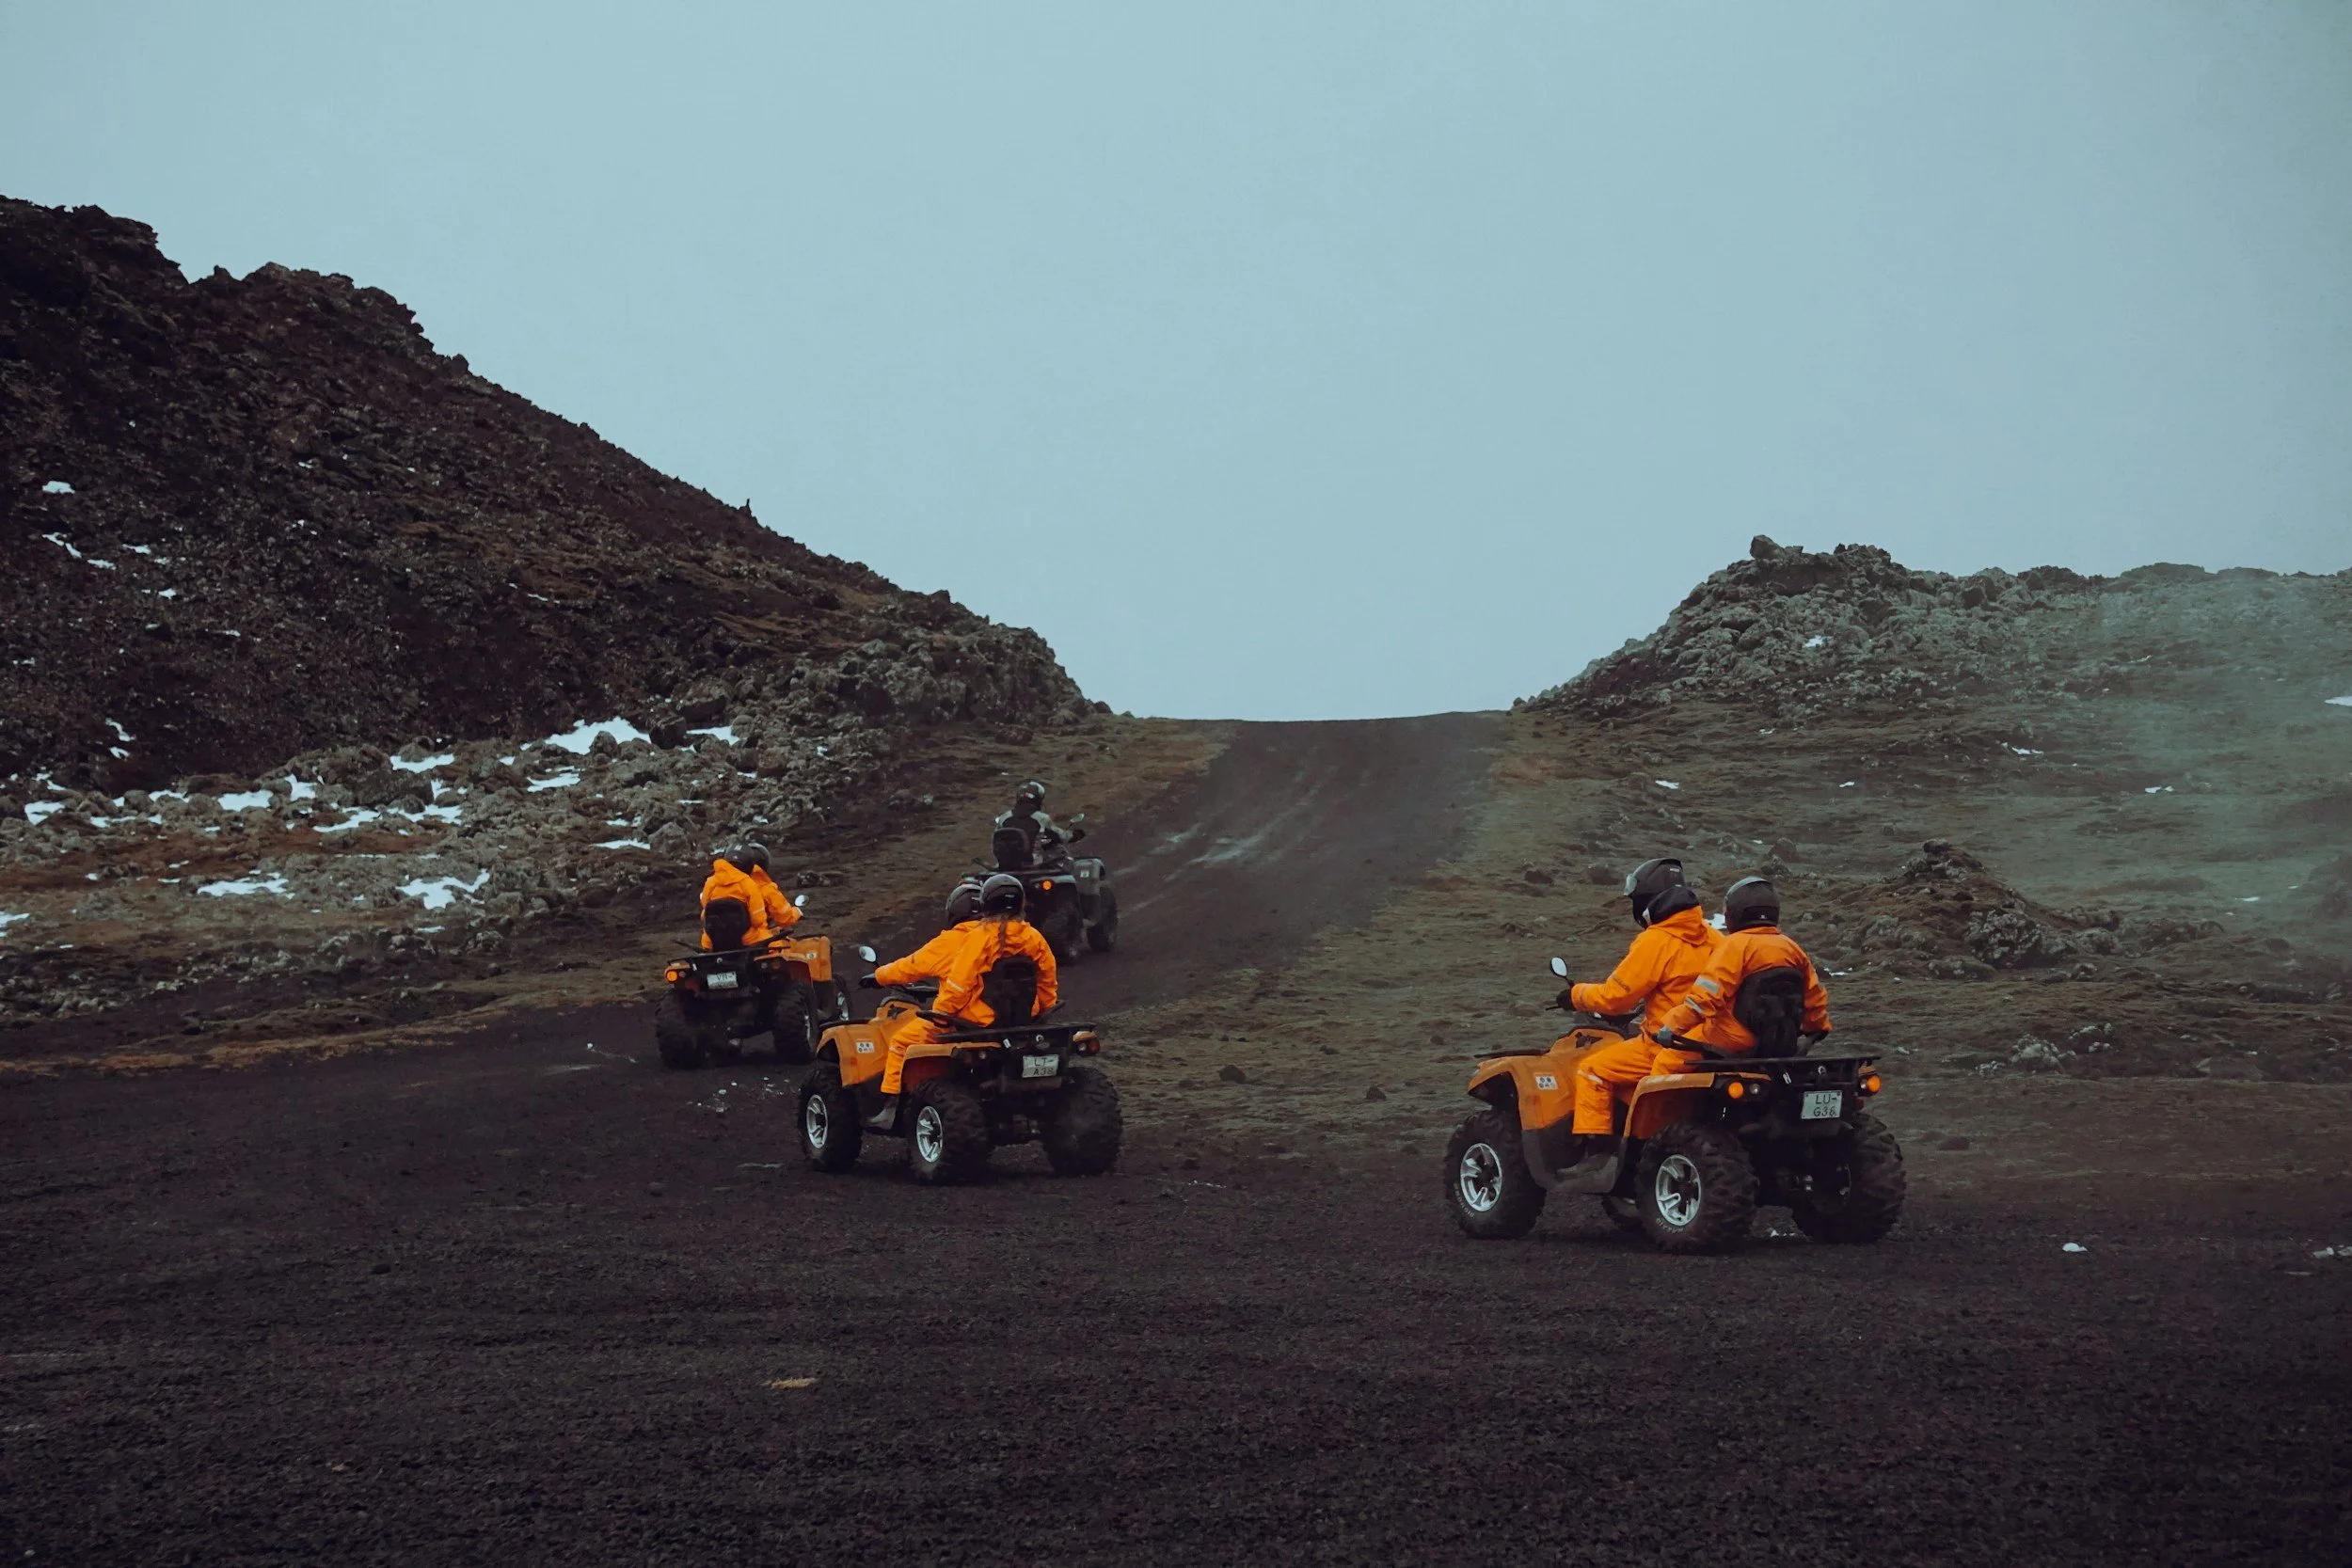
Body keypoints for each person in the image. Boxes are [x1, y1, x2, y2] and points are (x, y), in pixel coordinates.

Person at [1558, 858, 1724, 1173]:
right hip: (1714, 1044)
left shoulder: (1656, 940)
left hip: (1666, 1045)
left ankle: (1597, 1156)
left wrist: (1575, 995)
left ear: (1649, 902)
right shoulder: (1714, 937)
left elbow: (1615, 998)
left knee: (1593, 1069)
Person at [860, 873, 1058, 1109]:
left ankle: (891, 1103)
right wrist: (1042, 1011)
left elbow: (959, 984)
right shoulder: (1034, 937)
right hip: (1021, 1020)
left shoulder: (979, 938)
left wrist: (941, 1016)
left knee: (902, 1041)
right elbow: (1047, 979)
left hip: (976, 1021)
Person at [1652, 877, 1831, 1067]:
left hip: (1732, 1037)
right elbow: (1814, 996)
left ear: (1736, 913)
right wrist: (1817, 1026)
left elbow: (1705, 998)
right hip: (1781, 1040)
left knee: (1667, 1061)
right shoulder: (1792, 948)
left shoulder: (1734, 946)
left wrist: (1672, 1026)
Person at [699, 842, 800, 950]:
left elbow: (705, 908)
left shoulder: (711, 881)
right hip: (746, 939)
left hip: (713, 940)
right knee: (776, 947)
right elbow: (758, 918)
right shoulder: (747, 883)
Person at [994, 780, 1070, 866]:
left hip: (1004, 866)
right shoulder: (1042, 818)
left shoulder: (1003, 817)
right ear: (1038, 799)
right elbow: (1061, 836)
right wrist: (1075, 835)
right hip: (1032, 865)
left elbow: (996, 839)